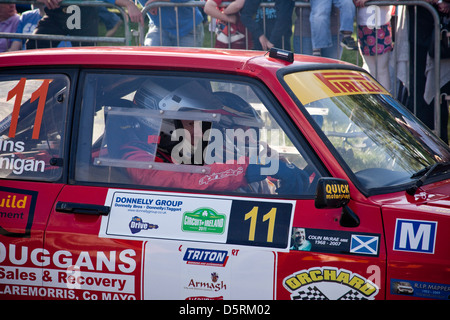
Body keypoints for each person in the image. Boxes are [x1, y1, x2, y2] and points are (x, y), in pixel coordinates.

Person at [106, 79, 309, 194]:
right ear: (158, 114)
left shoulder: (189, 144)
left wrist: (275, 167)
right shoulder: (131, 152)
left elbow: (226, 162)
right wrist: (251, 168)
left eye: (203, 120)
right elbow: (180, 179)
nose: (202, 128)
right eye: (191, 119)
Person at [27, 0, 143, 49]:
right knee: (34, 45)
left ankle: (87, 93)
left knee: (86, 57)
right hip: (55, 14)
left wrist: (129, 4)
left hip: (84, 15)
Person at [354, 0, 393, 91]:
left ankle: (385, 101)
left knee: (382, 69)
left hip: (381, 25)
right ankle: (373, 99)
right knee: (370, 68)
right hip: (364, 26)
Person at [139, 0, 204, 47]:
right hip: (159, 27)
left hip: (188, 28)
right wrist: (130, 4)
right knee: (151, 59)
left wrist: (157, 1)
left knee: (186, 63)